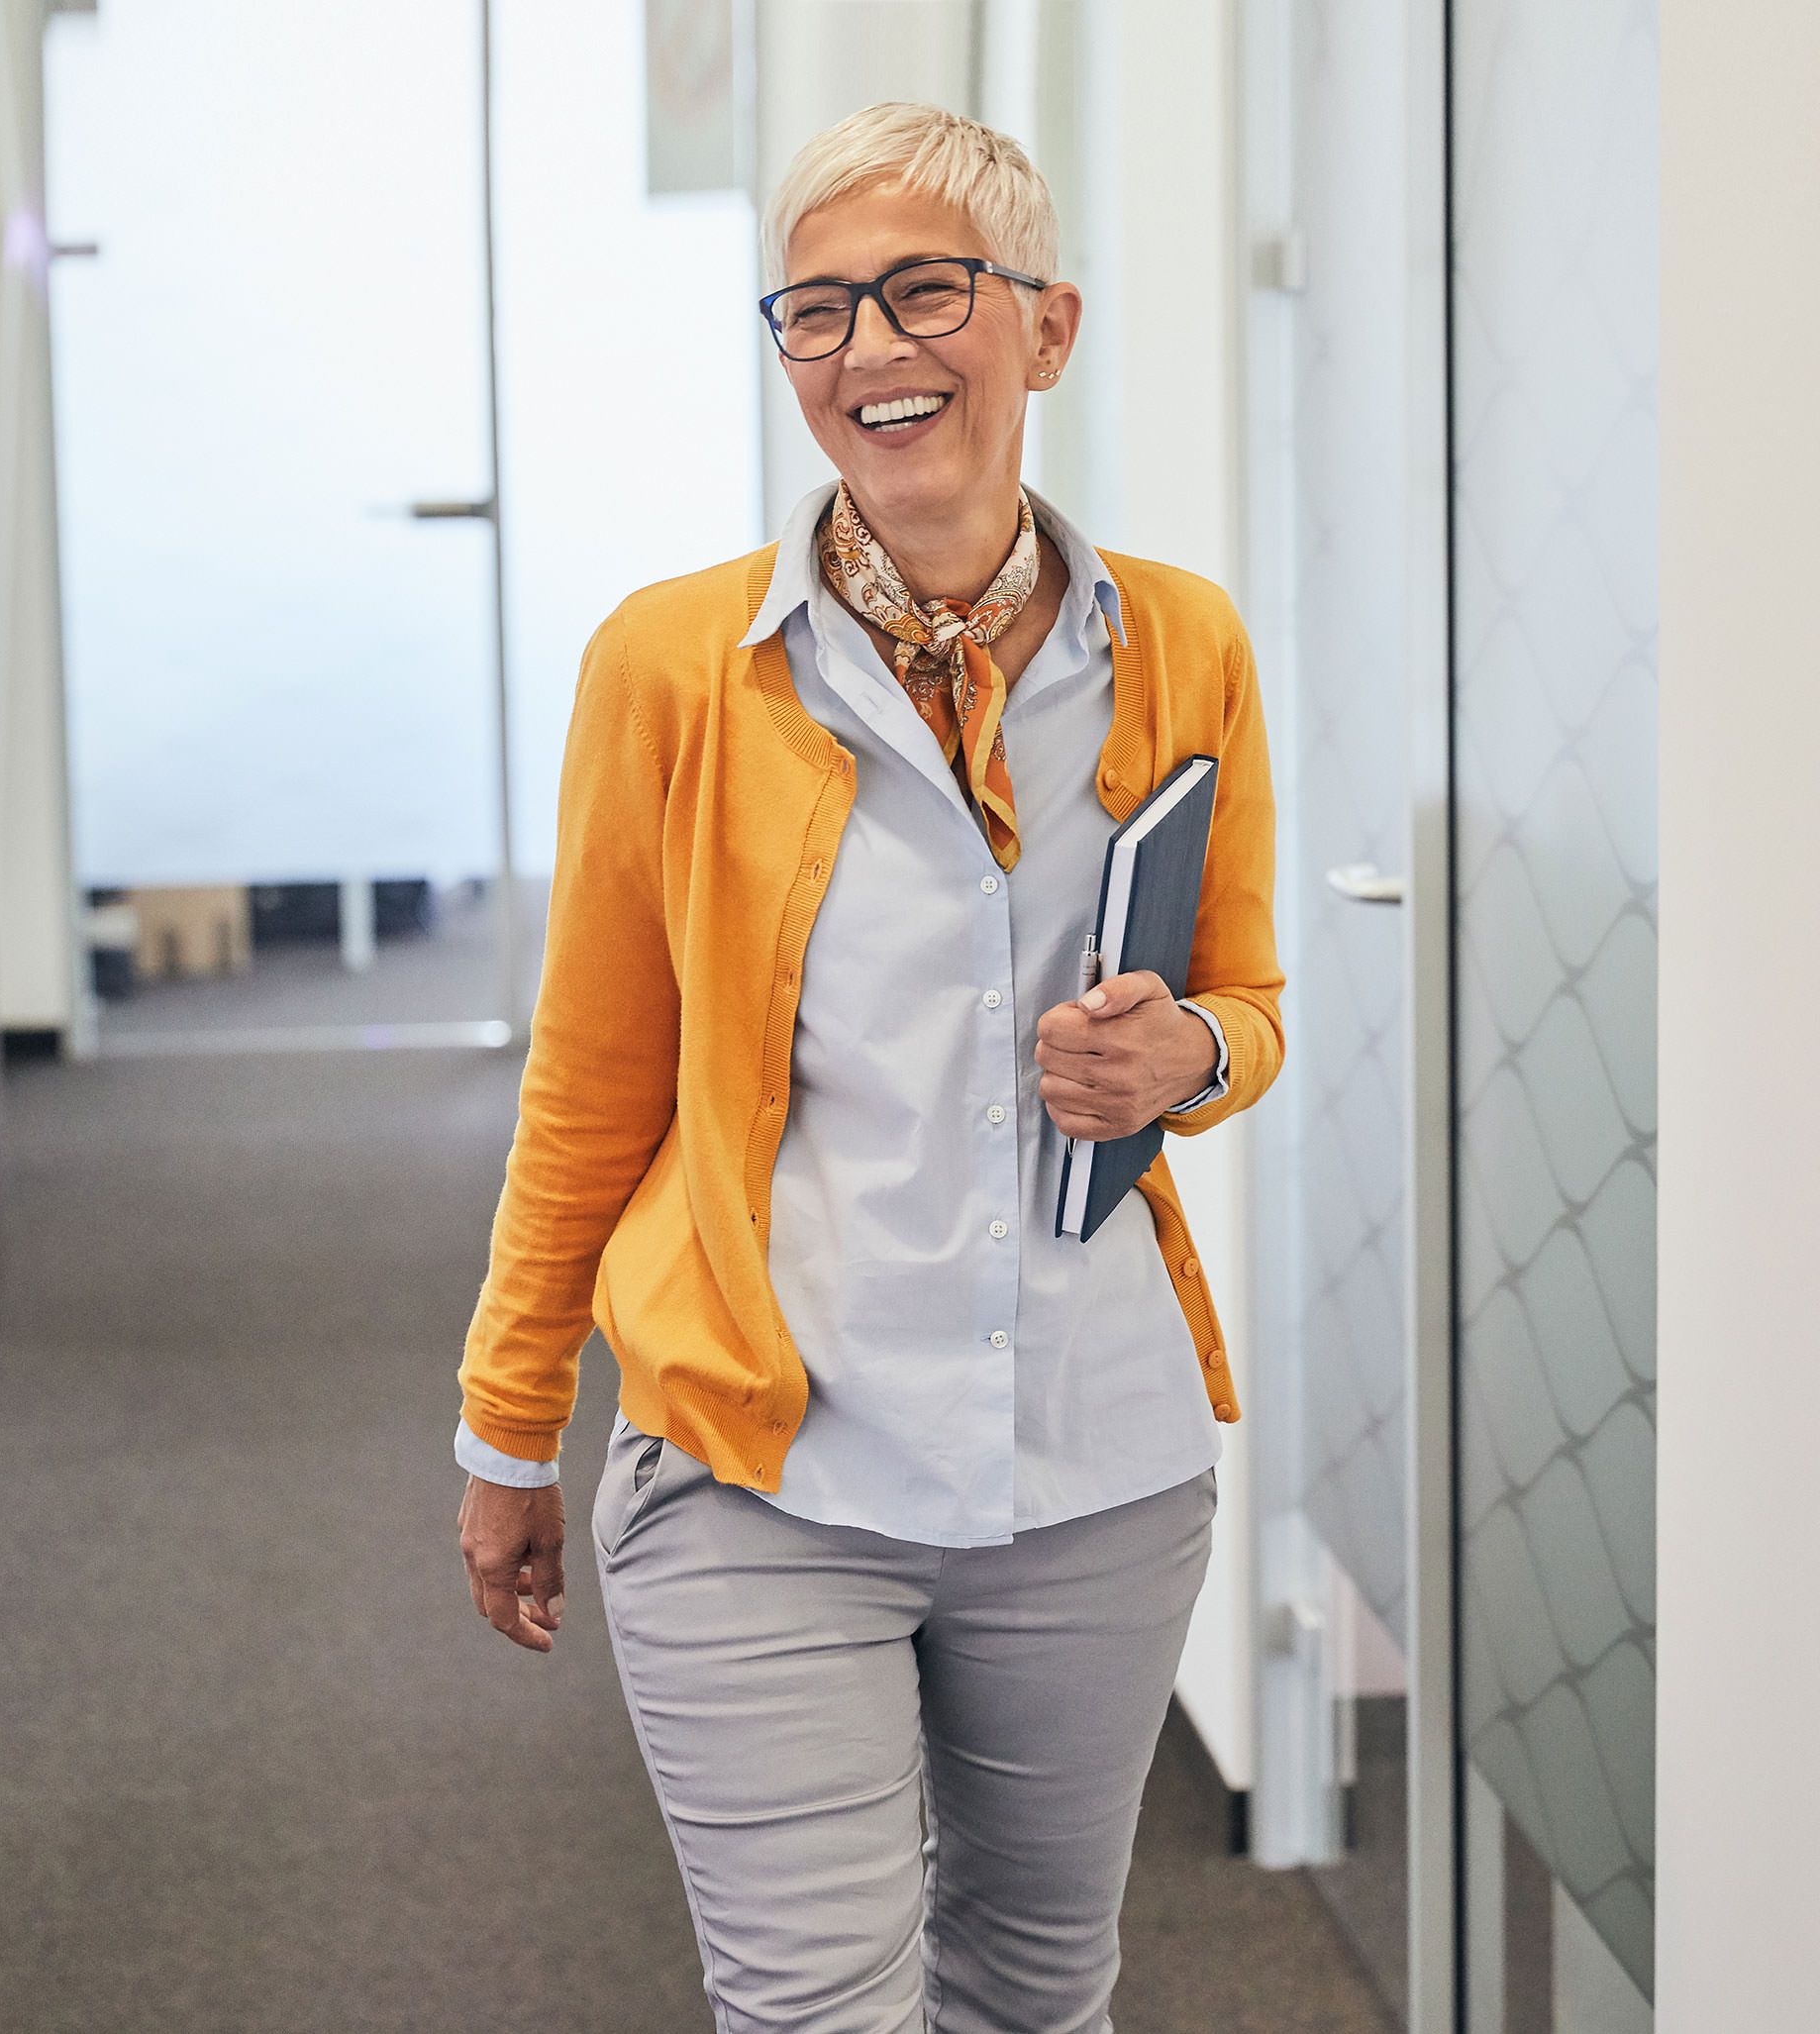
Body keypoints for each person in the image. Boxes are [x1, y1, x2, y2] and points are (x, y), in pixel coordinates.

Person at [454, 100, 1284, 2034]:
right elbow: (591, 1079)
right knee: (816, 2009)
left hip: (1093, 1454)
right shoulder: (674, 667)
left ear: (1046, 327)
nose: (872, 354)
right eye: (816, 313)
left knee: (1034, 1993)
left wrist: (1186, 1053)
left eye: (924, 292)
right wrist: (507, 1420)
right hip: (766, 1448)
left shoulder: (1180, 642)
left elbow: (1239, 1001)